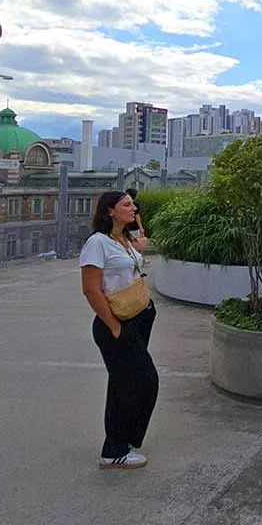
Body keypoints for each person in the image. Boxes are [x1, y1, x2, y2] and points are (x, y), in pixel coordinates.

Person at [80, 190, 159, 469]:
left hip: (139, 318)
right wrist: (114, 326)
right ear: (109, 210)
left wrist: (137, 236)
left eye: (133, 203)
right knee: (144, 381)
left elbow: (133, 268)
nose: (133, 207)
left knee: (122, 384)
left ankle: (118, 445)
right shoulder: (97, 243)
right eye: (126, 204)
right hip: (116, 323)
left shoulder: (124, 240)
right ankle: (117, 447)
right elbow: (91, 289)